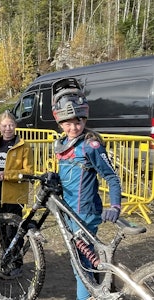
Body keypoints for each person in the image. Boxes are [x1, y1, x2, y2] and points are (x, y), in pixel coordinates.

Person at [51, 78, 121, 300]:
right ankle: (99, 292)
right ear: (60, 122)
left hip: (85, 215)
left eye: (79, 122)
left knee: (82, 267)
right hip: (69, 212)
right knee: (81, 263)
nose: (74, 127)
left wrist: (115, 205)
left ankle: (92, 295)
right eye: (69, 123)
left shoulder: (91, 145)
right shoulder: (61, 144)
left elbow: (111, 177)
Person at [0, 110, 34, 216]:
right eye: (4, 126)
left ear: (15, 125)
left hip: (15, 194)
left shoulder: (24, 146)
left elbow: (29, 172)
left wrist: (6, 175)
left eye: (11, 125)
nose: (8, 129)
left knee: (12, 229)